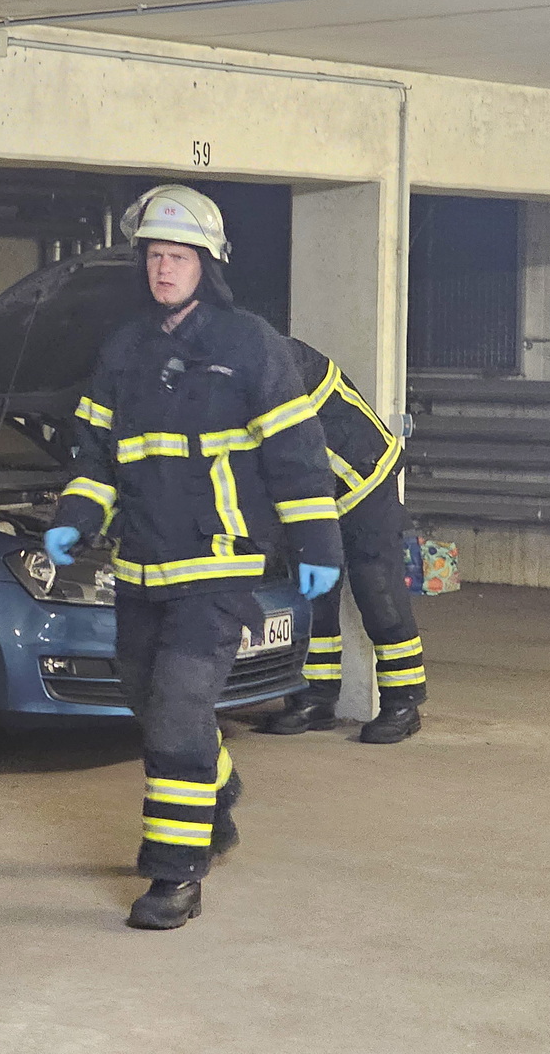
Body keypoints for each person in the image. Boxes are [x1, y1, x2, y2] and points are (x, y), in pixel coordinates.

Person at [43, 184, 342, 930]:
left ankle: (175, 874)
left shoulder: (250, 346)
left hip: (218, 570)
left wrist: (317, 545)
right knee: (150, 707)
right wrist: (75, 518)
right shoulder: (123, 349)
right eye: (153, 256)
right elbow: (96, 455)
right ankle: (217, 794)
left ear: (207, 264)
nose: (163, 269)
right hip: (142, 569)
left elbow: (298, 457)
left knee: (178, 715)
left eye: (177, 257)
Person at [255, 337, 427, 743]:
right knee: (315, 595)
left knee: (378, 592)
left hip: (366, 483)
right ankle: (315, 698)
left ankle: (404, 704)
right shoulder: (242, 363)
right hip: (317, 498)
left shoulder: (273, 358)